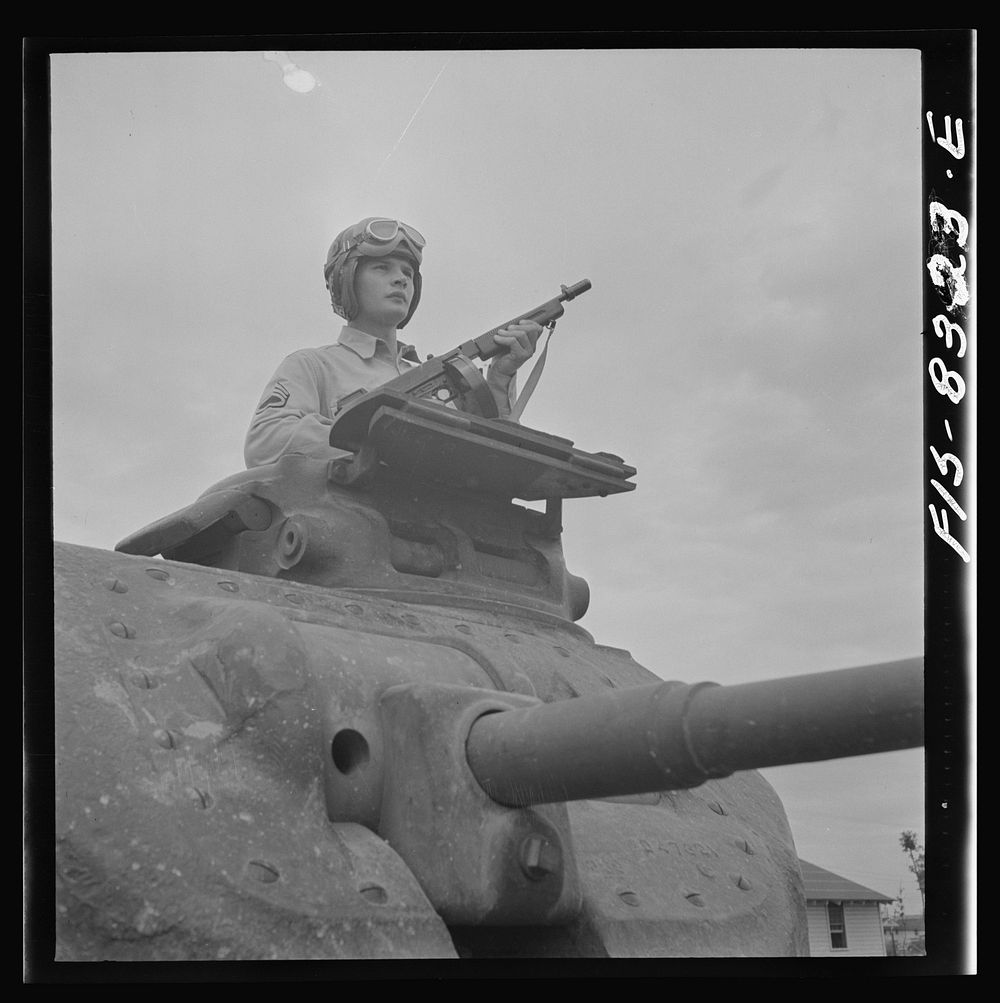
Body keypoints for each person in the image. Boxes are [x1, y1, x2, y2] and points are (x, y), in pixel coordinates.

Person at [244, 217, 541, 468]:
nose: (401, 280)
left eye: (408, 273)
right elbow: (266, 441)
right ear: (347, 281)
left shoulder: (443, 377)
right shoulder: (313, 366)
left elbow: (489, 458)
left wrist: (500, 381)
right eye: (382, 268)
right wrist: (374, 438)